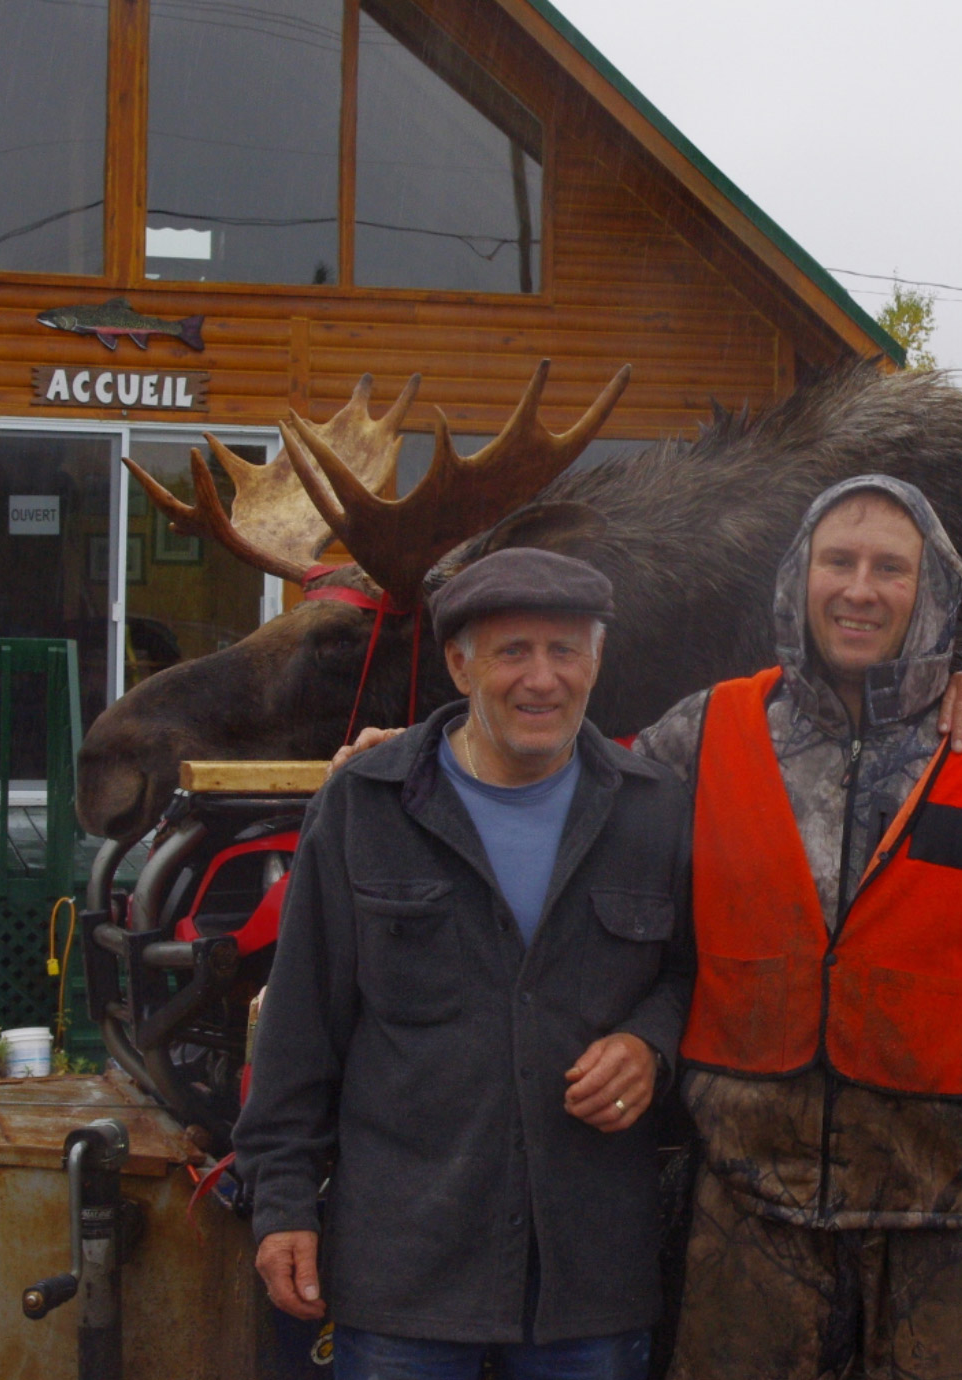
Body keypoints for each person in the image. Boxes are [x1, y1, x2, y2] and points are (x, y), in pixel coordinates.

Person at [634, 474, 962, 1380]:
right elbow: (564, 794)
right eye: (840, 561)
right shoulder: (706, 733)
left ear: (929, 592)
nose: (861, 588)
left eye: (890, 568)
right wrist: (419, 748)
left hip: (957, 1214)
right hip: (752, 1209)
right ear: (798, 579)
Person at [232, 547, 690, 1380]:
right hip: (406, 1275)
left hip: (587, 1283)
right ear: (458, 663)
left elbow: (697, 978)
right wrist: (283, 1205)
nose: (541, 679)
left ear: (597, 660)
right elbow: (297, 1031)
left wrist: (650, 1044)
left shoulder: (656, 813)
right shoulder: (365, 805)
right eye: (513, 651)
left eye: (564, 651)